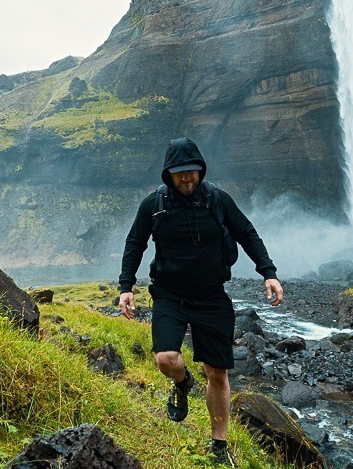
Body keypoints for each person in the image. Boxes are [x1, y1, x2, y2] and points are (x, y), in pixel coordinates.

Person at [118, 137, 283, 466]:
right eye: (179, 173)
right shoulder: (154, 204)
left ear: (200, 170)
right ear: (169, 174)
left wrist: (269, 272)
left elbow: (247, 233)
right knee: (166, 358)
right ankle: (182, 383)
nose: (186, 178)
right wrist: (127, 286)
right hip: (169, 295)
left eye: (191, 171)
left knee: (218, 373)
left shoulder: (218, 200)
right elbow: (135, 242)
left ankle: (218, 445)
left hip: (211, 297)